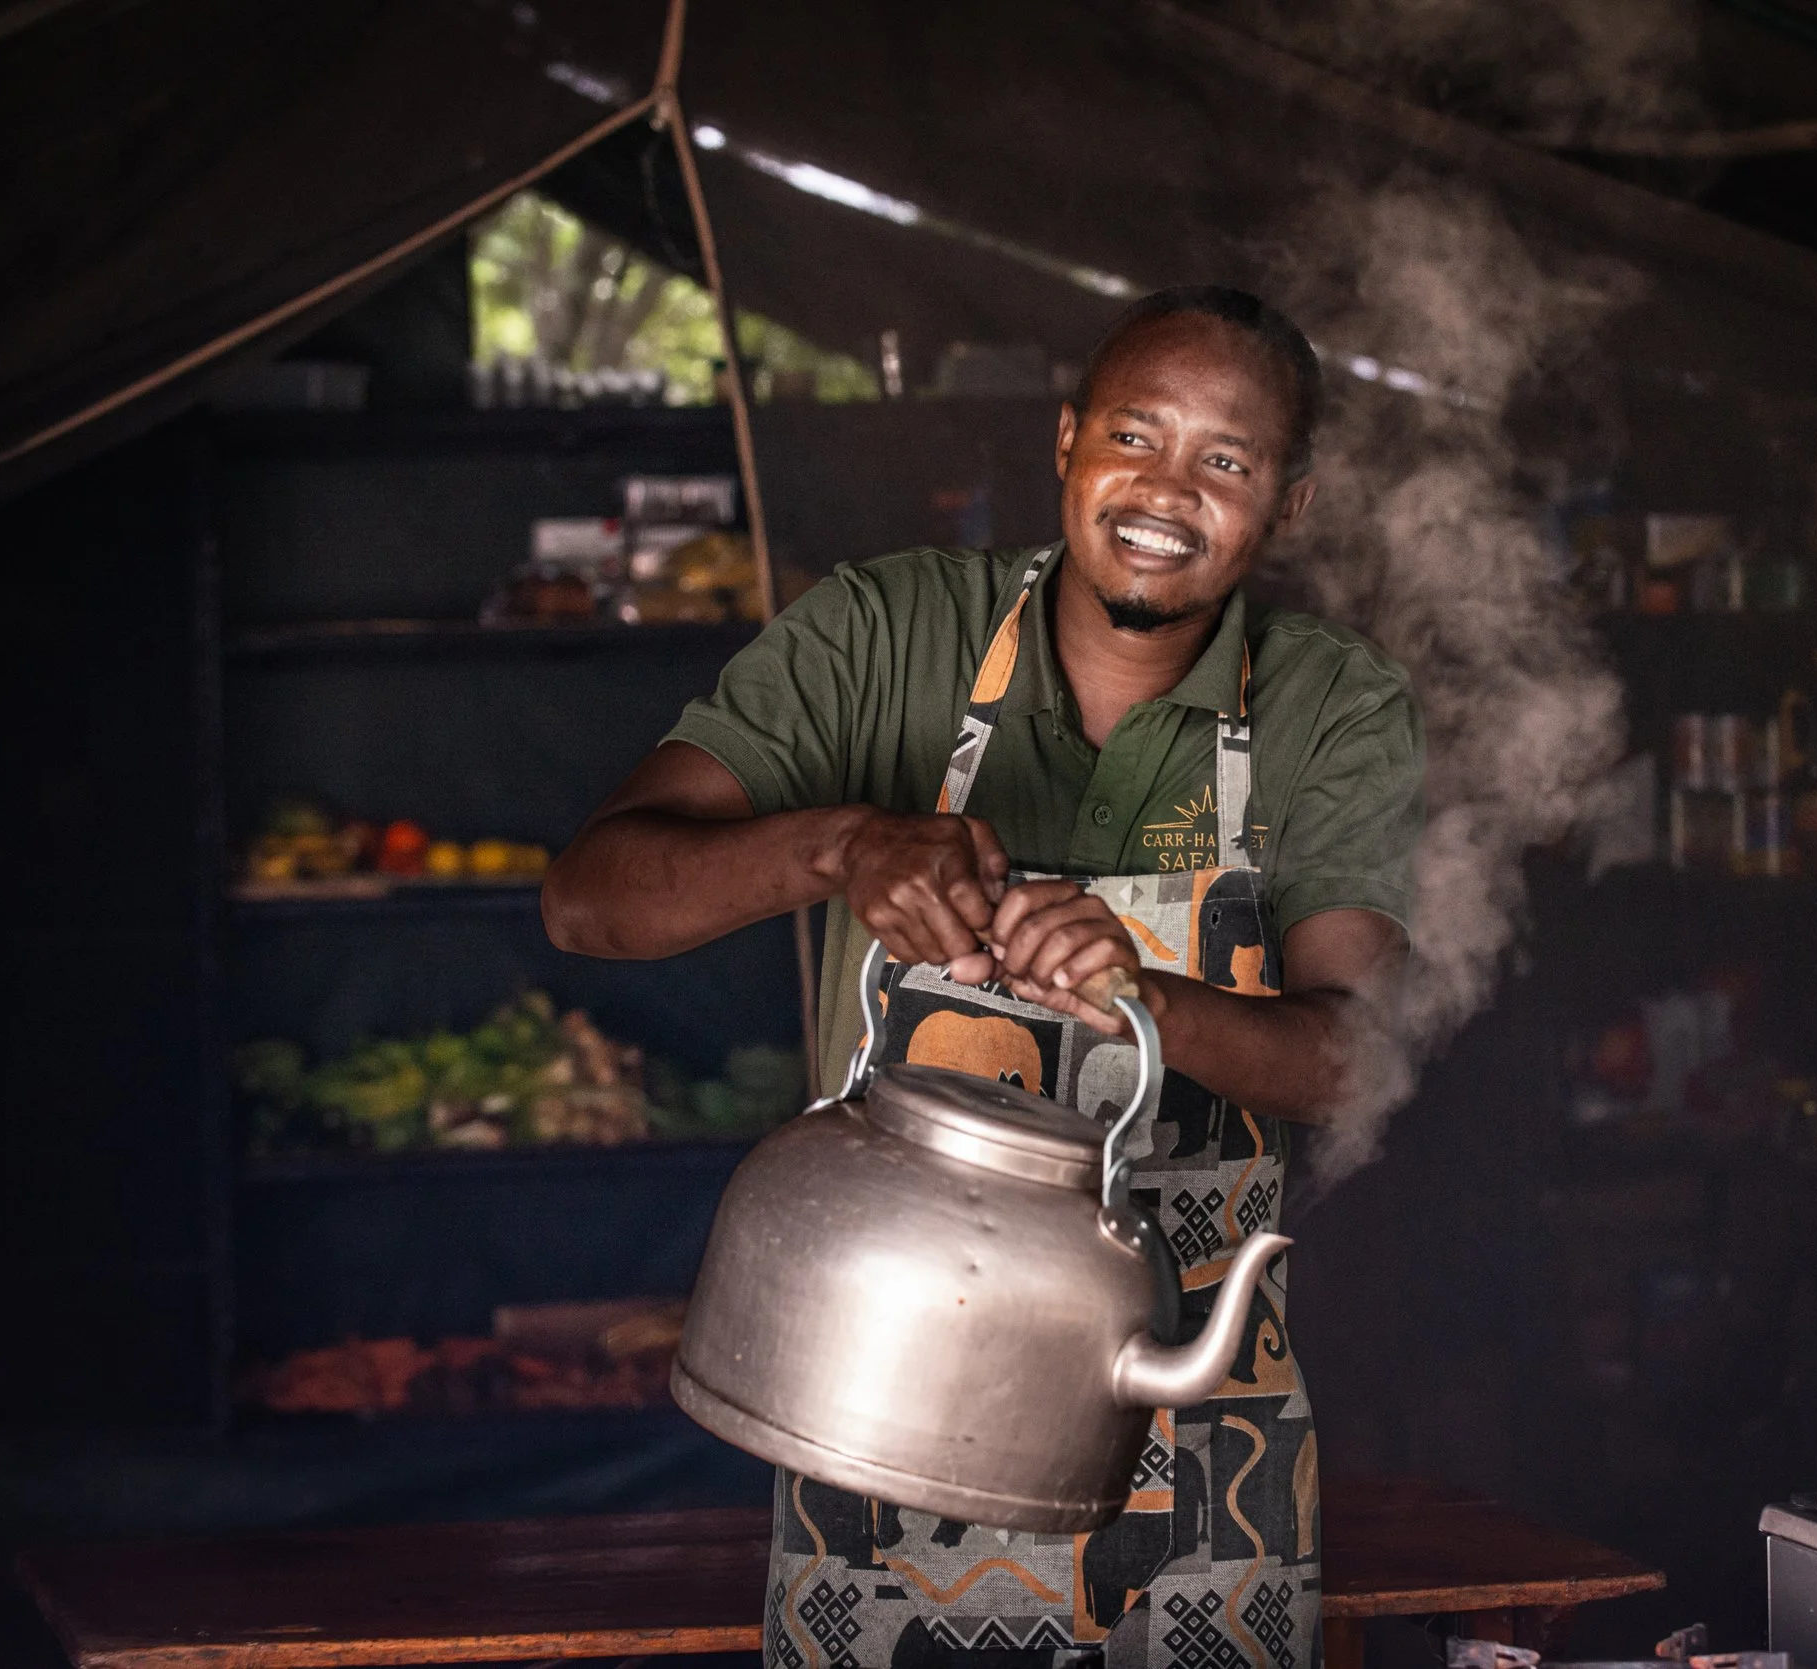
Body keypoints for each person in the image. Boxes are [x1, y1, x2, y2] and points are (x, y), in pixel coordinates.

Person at [545, 285, 1423, 1668]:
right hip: (880, 1405)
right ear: (1067, 444)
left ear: (1289, 507)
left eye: (1226, 462)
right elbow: (591, 903)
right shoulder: (885, 635)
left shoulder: (1329, 707)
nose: (1165, 492)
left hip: (1198, 1442)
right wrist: (840, 847)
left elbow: (1359, 1058)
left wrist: (1154, 999)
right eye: (1134, 437)